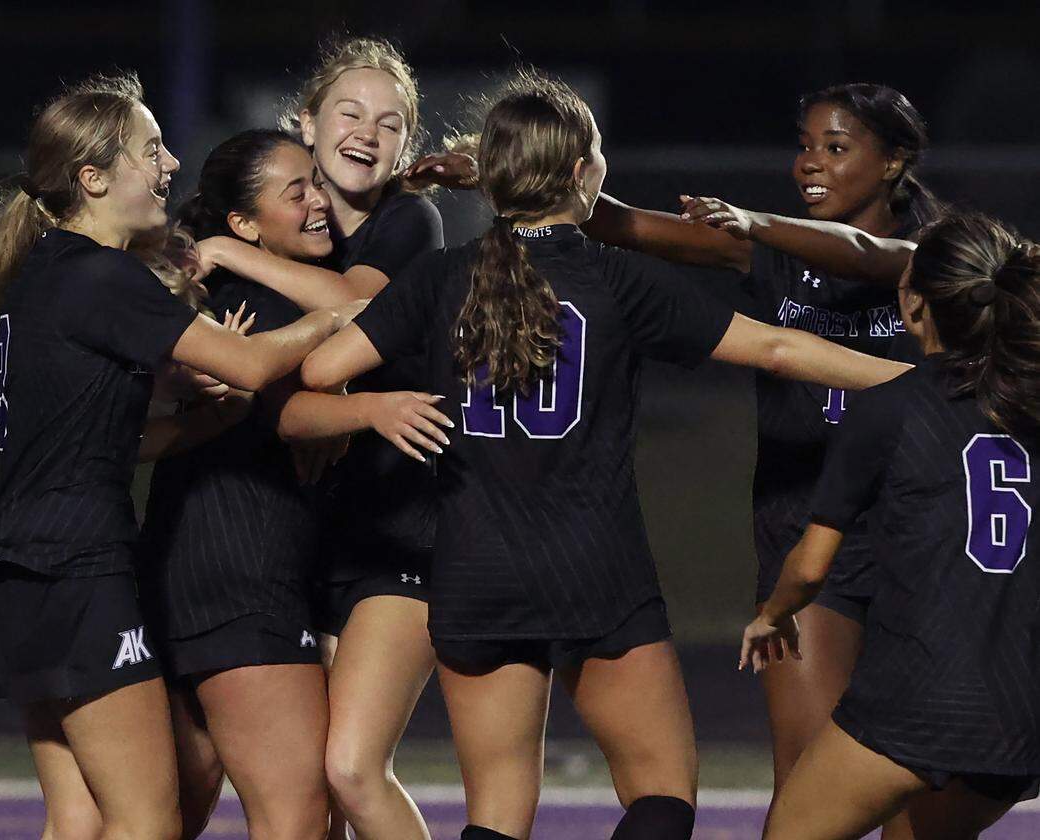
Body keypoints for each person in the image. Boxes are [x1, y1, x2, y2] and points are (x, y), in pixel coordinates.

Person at [301, 70, 912, 840]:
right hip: (599, 567)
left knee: (495, 815)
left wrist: (376, 406)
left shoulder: (440, 276)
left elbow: (320, 374)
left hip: (474, 571)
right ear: (584, 174)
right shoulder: (620, 281)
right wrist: (924, 381)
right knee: (661, 797)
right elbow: (783, 349)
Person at [0, 73, 361, 840]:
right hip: (74, 571)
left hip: (10, 576)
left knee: (80, 819)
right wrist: (346, 316)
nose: (168, 165)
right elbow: (252, 365)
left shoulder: (44, 279)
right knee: (146, 822)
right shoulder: (102, 275)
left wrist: (207, 419)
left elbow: (118, 440)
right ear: (92, 178)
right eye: (150, 149)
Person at [139, 127, 451, 840]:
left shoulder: (231, 284)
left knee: (167, 812)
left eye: (316, 182)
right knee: (298, 817)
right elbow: (330, 347)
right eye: (297, 191)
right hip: (240, 569)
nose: (319, 202)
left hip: (193, 559)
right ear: (244, 225)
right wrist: (358, 410)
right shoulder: (260, 294)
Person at [741, 212, 1040, 839]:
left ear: (913, 303)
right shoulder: (1029, 409)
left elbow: (812, 565)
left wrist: (774, 613)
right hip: (1019, 714)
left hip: (917, 700)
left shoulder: (890, 410)